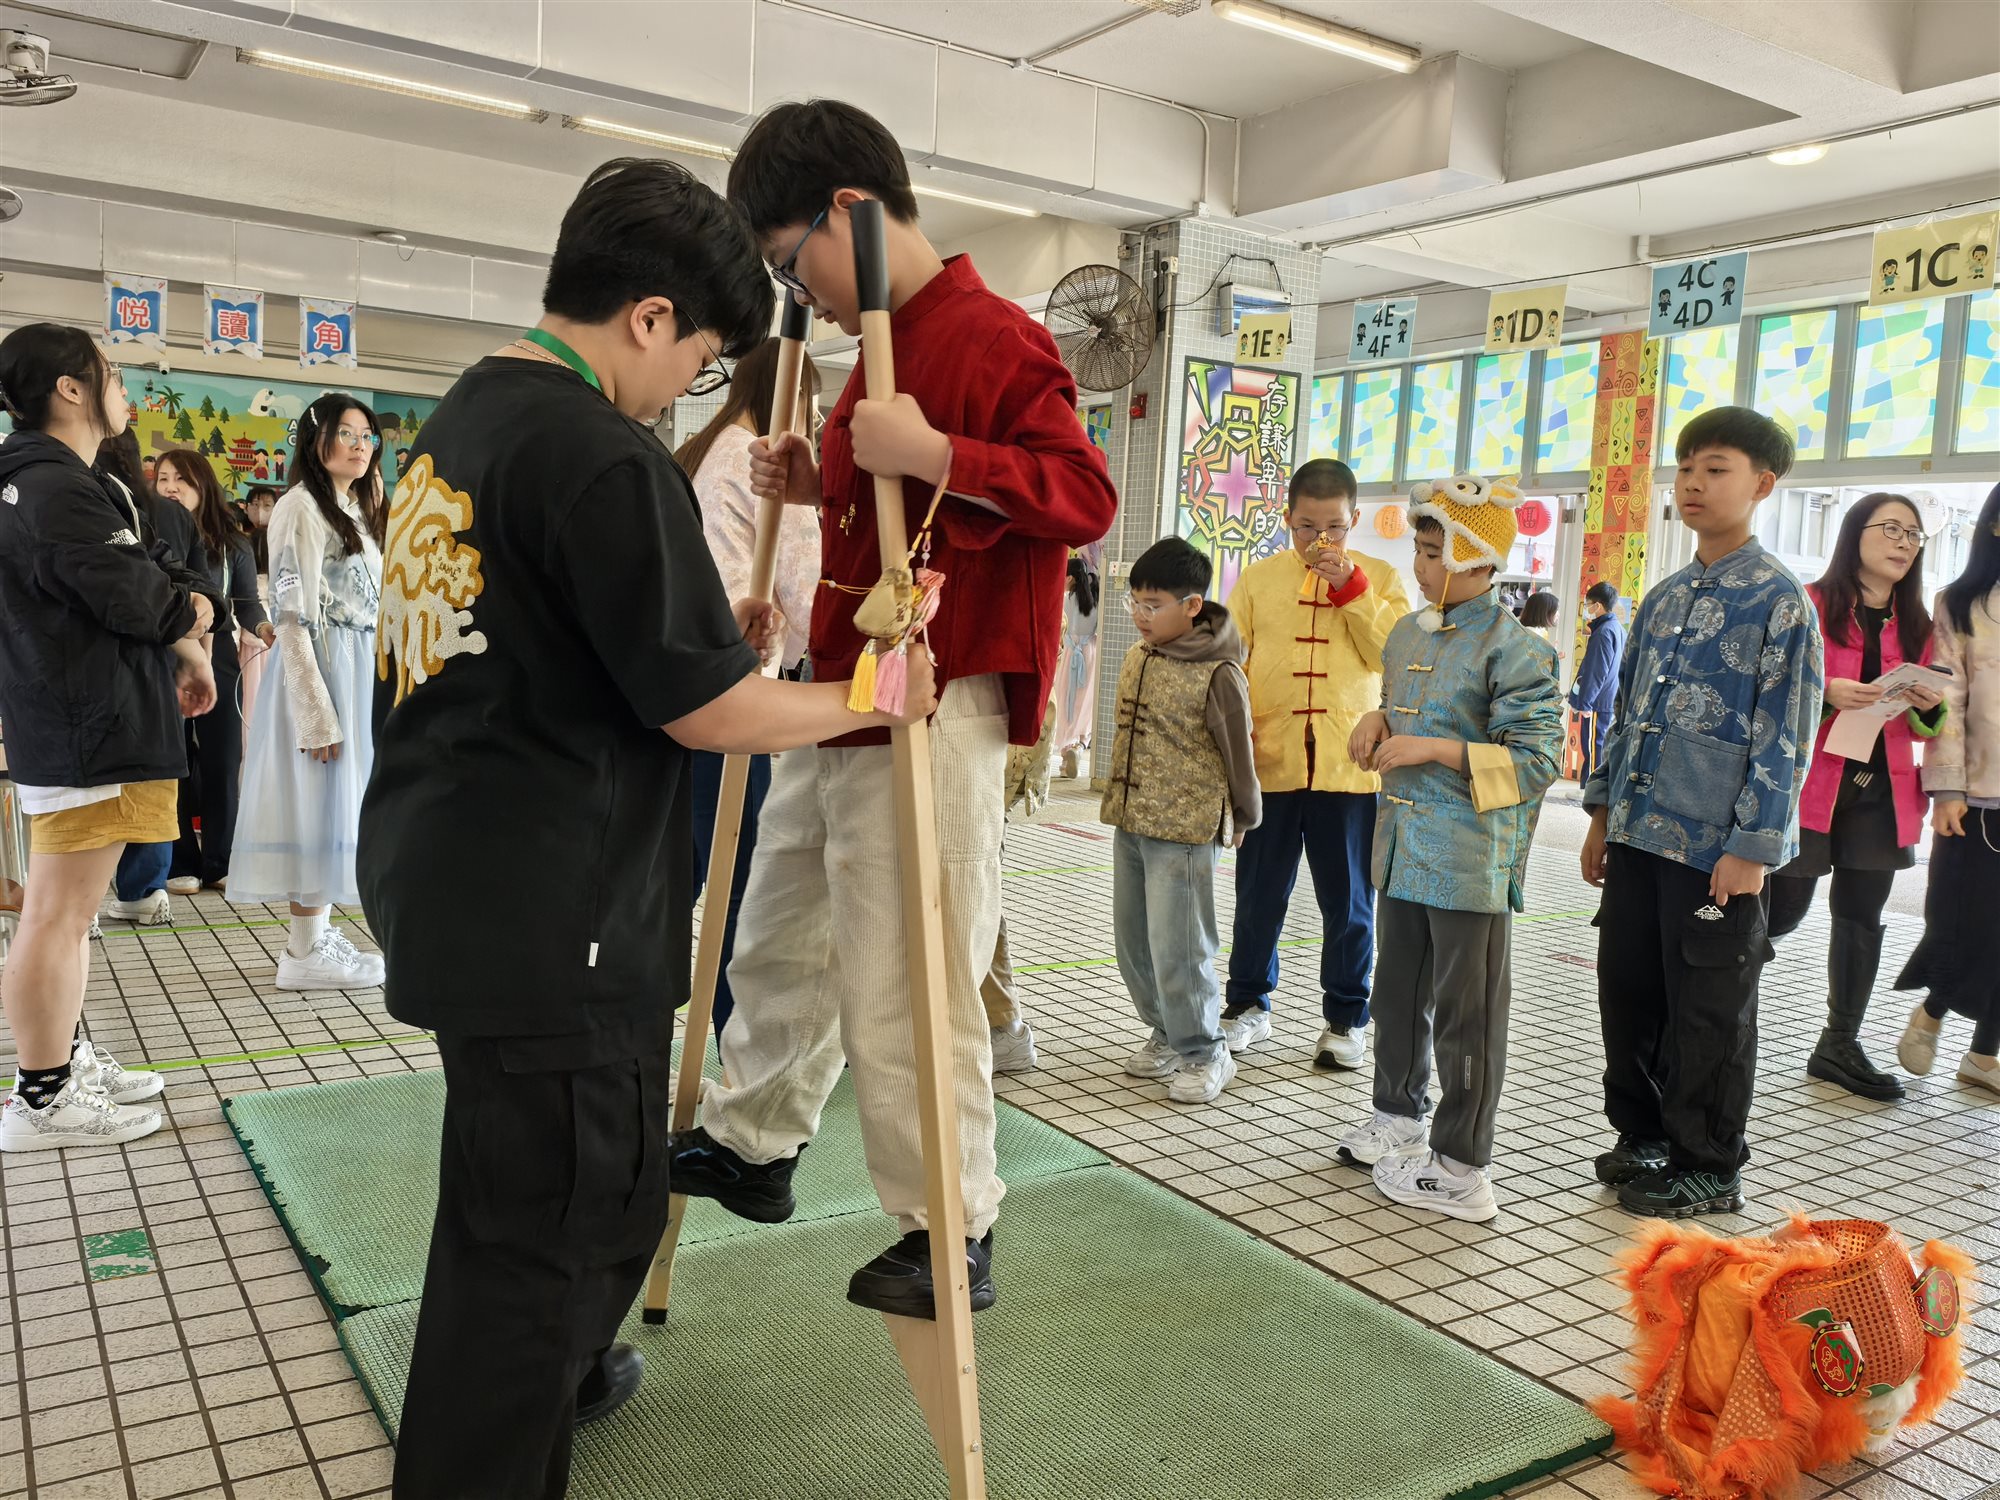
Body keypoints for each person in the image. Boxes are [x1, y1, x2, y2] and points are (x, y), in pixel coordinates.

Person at [358, 156, 936, 1500]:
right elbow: (711, 715)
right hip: (550, 915)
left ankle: (566, 1370)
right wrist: (865, 697)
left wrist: (696, 637)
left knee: (563, 1198)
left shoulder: (468, 416)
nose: (689, 385)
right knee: (541, 1237)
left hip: (460, 874)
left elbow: (539, 632)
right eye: (699, 357)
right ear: (650, 315)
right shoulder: (599, 452)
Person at [670, 98, 1118, 1319]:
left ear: (850, 215)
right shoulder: (871, 344)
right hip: (844, 687)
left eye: (791, 260)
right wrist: (815, 474)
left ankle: (951, 1226)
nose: (798, 292)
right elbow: (885, 511)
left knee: (908, 971)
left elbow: (1083, 496)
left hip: (934, 700)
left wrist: (936, 456)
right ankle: (754, 1140)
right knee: (777, 928)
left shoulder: (993, 335)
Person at [1581, 406, 1822, 1218]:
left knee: (1708, 1010)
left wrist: (1753, 845)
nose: (1692, 482)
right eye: (1685, 467)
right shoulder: (1664, 596)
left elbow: (1787, 732)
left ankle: (1710, 1165)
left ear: (1763, 485)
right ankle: (1645, 1133)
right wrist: (1601, 813)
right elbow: (1624, 716)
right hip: (1638, 833)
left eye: (1715, 469)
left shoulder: (1781, 600)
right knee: (1630, 993)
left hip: (1715, 849)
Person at [0, 324, 219, 1151]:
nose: (124, 389)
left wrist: (187, 619)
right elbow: (142, 595)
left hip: (94, 718)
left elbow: (164, 569)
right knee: (57, 914)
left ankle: (61, 1059)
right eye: (113, 373)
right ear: (70, 388)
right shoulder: (50, 488)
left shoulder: (76, 481)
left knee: (69, 911)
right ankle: (41, 1095)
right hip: (86, 725)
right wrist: (190, 619)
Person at [1340, 473, 1563, 1221]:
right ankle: (1396, 1116)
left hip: (1469, 863)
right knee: (1396, 994)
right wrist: (1377, 719)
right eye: (1420, 549)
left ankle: (1463, 1167)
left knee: (1469, 1015)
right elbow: (1399, 705)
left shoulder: (1516, 650)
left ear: (1478, 560)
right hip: (1402, 848)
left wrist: (1435, 749)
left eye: (1435, 553)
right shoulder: (1408, 632)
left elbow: (1538, 762)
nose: (1420, 565)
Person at [1221, 458, 1412, 1071]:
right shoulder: (1257, 580)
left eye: (1334, 527)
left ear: (1354, 519)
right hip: (1269, 764)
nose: (1320, 540)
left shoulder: (1381, 577)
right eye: (1307, 527)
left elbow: (1394, 656)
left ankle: (1347, 1018)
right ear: (1287, 519)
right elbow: (1230, 663)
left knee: (1350, 902)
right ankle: (1247, 1003)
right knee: (1257, 894)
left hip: (1348, 770)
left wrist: (1352, 589)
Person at [1768, 494, 1944, 1100]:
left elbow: (1929, 724)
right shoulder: (1807, 604)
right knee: (1782, 908)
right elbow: (1766, 687)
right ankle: (1714, 1007)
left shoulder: (1920, 623)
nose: (1903, 543)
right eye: (1891, 529)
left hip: (1882, 789)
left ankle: (1839, 1043)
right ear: (1855, 533)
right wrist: (1823, 692)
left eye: (1913, 535)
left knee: (1861, 916)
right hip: (1809, 784)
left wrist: (1930, 704)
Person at [675, 336, 823, 1041]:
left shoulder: (698, 451)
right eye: (812, 408)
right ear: (791, 395)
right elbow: (808, 590)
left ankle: (656, 1017)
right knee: (743, 874)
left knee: (684, 870)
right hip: (739, 688)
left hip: (680, 690)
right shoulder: (765, 463)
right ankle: (738, 1033)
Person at [229, 393, 387, 991]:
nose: (361, 445)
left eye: (368, 436)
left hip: (356, 665)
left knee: (336, 801)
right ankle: (303, 950)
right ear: (315, 440)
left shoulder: (355, 506)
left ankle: (314, 936)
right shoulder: (299, 506)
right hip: (324, 668)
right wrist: (314, 711)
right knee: (317, 798)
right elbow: (291, 614)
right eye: (347, 433)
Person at [1101, 537, 1259, 1106]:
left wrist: (1244, 814)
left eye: (1153, 605)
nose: (1140, 615)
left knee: (1181, 947)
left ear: (1192, 605)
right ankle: (1167, 1032)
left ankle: (1205, 1051)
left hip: (1186, 829)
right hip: (1132, 820)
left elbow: (1239, 750)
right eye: (1135, 603)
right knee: (1134, 943)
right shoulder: (1140, 655)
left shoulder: (1220, 672)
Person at [1896, 480, 2000, 1097]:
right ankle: (1933, 1010)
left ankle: (1984, 1055)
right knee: (1968, 922)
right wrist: (1947, 789)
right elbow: (1947, 704)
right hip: (1982, 796)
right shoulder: (1961, 605)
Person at [96, 430, 212, 928]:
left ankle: (88, 898)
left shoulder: (81, 497)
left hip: (100, 662)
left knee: (97, 780)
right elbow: (195, 586)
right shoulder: (166, 513)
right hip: (162, 659)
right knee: (154, 771)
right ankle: (144, 889)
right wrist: (196, 649)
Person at [156, 449, 271, 895]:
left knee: (224, 757)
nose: (170, 487)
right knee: (174, 758)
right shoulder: (149, 537)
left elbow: (247, 603)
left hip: (219, 652)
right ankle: (180, 861)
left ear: (203, 486)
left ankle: (220, 860)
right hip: (167, 650)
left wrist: (263, 628)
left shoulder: (232, 544)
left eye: (181, 479)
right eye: (163, 478)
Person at [1567, 580, 1624, 778]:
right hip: (1608, 699)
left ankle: (1589, 790)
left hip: (1597, 703)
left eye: (1588, 604)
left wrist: (1585, 703)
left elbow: (1596, 671)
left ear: (1598, 605)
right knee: (1599, 747)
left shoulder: (1603, 632)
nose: (1587, 609)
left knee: (1593, 750)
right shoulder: (1617, 628)